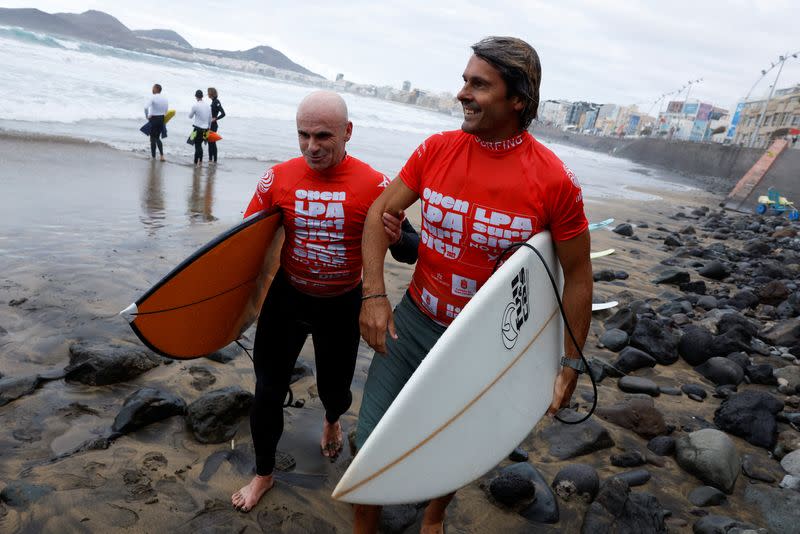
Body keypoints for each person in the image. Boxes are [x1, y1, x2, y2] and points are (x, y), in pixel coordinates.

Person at [355, 36, 593, 534]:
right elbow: (381, 211)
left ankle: (434, 517)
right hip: (415, 318)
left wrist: (569, 363)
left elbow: (578, 273)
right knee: (371, 439)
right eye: (465, 80)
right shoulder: (437, 150)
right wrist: (374, 295)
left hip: (485, 340)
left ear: (518, 100)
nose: (462, 92)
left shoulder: (554, 180)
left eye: (478, 84)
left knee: (453, 440)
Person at [231, 91, 419, 513]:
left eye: (322, 136)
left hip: (341, 304)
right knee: (266, 391)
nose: (311, 147)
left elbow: (410, 249)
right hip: (288, 297)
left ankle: (332, 418)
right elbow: (242, 247)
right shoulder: (276, 178)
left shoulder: (375, 185)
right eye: (303, 135)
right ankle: (263, 473)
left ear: (347, 132)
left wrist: (395, 235)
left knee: (336, 390)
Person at [144, 83, 168, 161]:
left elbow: (145, 107)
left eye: (153, 88)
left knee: (152, 139)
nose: (152, 89)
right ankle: (161, 156)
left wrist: (147, 116)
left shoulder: (153, 97)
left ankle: (153, 157)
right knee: (157, 138)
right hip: (161, 119)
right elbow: (166, 111)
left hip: (154, 119)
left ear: (156, 89)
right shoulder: (165, 98)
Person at [188, 89, 211, 166]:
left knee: (197, 145)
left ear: (196, 96)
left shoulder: (195, 105)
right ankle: (200, 162)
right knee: (200, 145)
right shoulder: (208, 106)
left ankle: (195, 162)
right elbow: (210, 118)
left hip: (197, 128)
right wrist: (209, 128)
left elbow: (190, 116)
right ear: (202, 96)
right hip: (206, 129)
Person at [207, 87, 226, 163]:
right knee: (210, 142)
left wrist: (216, 118)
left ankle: (213, 160)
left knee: (212, 142)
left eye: (208, 92)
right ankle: (211, 160)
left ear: (211, 93)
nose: (207, 94)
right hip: (210, 124)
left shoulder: (216, 102)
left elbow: (223, 113)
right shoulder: (213, 101)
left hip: (213, 125)